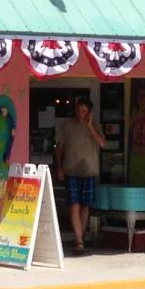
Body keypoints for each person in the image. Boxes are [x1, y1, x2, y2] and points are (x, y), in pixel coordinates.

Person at [56, 97, 105, 254]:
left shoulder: (94, 125)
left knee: (85, 206)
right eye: (78, 110)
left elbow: (102, 143)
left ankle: (80, 238)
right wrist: (59, 167)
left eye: (84, 111)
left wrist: (90, 126)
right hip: (71, 169)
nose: (80, 113)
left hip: (89, 170)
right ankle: (78, 240)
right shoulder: (67, 125)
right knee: (74, 205)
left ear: (89, 112)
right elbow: (59, 148)